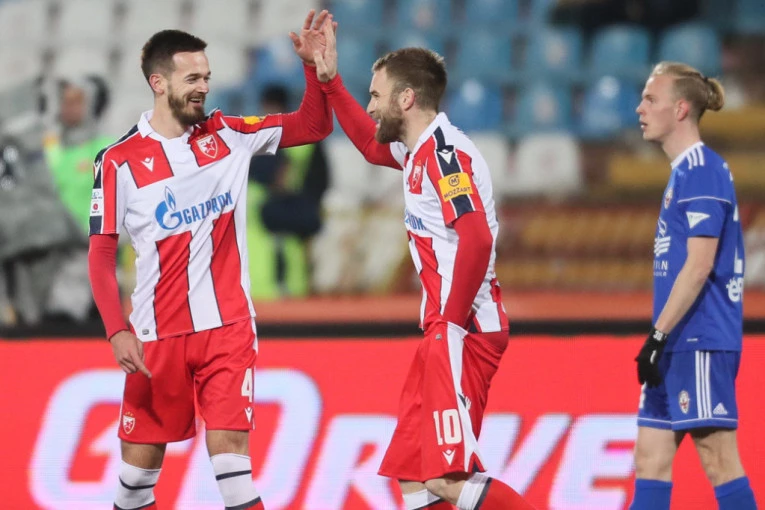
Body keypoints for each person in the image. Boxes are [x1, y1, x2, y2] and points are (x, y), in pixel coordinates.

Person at [87, 11, 333, 510]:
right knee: (134, 484)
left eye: (207, 77)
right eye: (192, 78)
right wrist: (116, 330)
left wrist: (315, 71)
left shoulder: (228, 134)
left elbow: (313, 125)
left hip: (228, 329)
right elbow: (101, 253)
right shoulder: (117, 161)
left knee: (234, 476)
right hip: (156, 336)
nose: (203, 87)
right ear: (158, 83)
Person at [312, 20, 535, 510]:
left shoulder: (445, 156)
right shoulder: (419, 151)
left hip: (464, 329)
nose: (371, 106)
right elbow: (369, 145)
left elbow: (476, 238)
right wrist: (329, 82)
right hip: (447, 327)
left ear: (407, 98)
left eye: (376, 95)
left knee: (446, 479)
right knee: (413, 477)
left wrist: (449, 325)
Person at [631, 62, 756, 510]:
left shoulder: (703, 169)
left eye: (651, 99)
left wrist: (657, 335)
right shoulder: (682, 173)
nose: (640, 108)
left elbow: (699, 266)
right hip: (674, 342)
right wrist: (661, 340)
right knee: (650, 460)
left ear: (681, 109)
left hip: (698, 338)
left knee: (719, 460)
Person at [247, 84, 329, 299]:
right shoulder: (306, 139)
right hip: (289, 216)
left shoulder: (258, 138)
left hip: (264, 280)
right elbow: (321, 182)